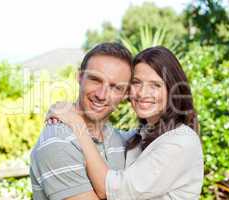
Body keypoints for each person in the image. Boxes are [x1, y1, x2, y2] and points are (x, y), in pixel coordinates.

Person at [48, 46, 204, 200]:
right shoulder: (141, 136)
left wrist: (76, 122)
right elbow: (105, 135)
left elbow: (110, 190)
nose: (143, 93)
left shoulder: (181, 141)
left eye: (155, 85)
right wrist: (63, 111)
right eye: (136, 83)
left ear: (173, 90)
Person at [30, 42, 134, 200]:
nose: (102, 95)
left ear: (126, 94)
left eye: (115, 87)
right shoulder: (57, 142)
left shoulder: (121, 140)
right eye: (95, 80)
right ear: (79, 77)